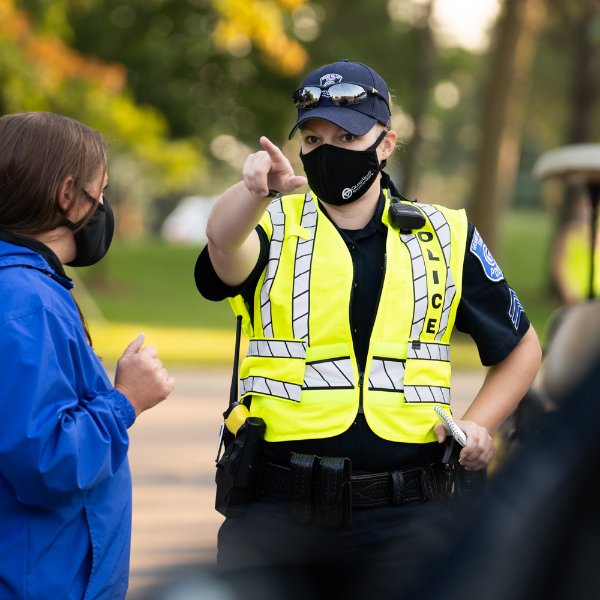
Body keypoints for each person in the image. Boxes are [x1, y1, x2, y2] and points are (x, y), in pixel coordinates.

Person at [194, 60, 541, 599]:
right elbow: (221, 245)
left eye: (347, 136)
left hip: (408, 518)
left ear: (386, 144)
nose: (326, 149)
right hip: (277, 512)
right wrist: (253, 191)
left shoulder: (445, 233)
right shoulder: (269, 223)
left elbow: (521, 348)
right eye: (313, 137)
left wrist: (479, 425)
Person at [0, 112, 175, 599]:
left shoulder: (24, 287)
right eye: (102, 190)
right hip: (38, 581)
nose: (104, 206)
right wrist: (127, 399)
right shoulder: (25, 301)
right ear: (67, 195)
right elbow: (45, 461)